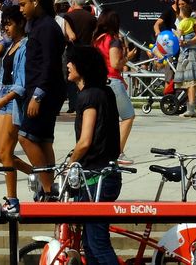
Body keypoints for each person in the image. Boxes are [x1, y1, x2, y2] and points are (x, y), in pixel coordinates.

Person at [66, 44, 121, 265]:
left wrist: (70, 163)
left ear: (83, 66)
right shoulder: (104, 92)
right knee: (89, 243)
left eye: (72, 61)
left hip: (95, 178)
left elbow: (85, 141)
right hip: (107, 174)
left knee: (97, 242)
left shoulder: (88, 96)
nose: (68, 65)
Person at [18, 0, 66, 199]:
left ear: (35, 1)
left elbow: (49, 64)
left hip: (44, 91)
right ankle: (50, 187)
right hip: (44, 89)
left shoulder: (47, 27)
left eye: (23, 4)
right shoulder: (39, 25)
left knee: (26, 138)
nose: (21, 9)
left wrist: (37, 95)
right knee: (44, 140)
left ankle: (47, 188)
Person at [0, 6, 32, 205]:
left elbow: (22, 83)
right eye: (4, 24)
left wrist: (3, 101)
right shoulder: (11, 44)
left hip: (13, 101)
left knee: (5, 152)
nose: (6, 28)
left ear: (21, 23)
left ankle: (12, 198)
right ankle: (36, 174)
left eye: (10, 24)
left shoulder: (24, 46)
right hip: (4, 100)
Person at [92, 9, 135, 159]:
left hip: (99, 81)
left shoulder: (97, 39)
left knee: (106, 119)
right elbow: (116, 64)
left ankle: (104, 150)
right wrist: (127, 57)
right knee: (128, 116)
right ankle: (118, 151)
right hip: (112, 80)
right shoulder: (113, 40)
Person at [173, 0, 196, 119]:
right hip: (184, 51)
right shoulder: (184, 20)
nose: (180, 6)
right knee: (188, 79)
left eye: (182, 4)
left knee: (191, 79)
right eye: (179, 5)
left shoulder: (192, 17)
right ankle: (190, 106)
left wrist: (187, 41)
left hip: (189, 51)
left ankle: (191, 108)